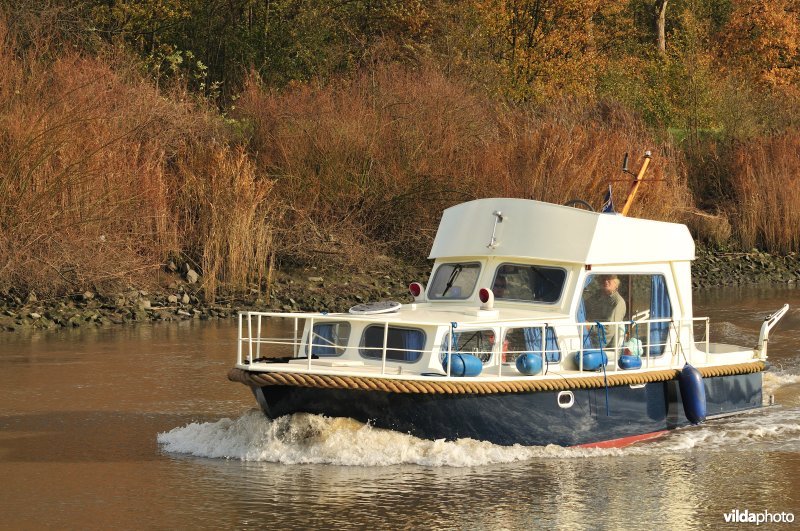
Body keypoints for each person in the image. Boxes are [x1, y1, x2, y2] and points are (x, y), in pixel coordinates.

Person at [584, 274, 627, 348]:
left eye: (609, 279)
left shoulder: (618, 302)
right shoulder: (599, 296)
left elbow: (608, 330)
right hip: (589, 336)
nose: (606, 281)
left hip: (601, 344)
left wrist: (589, 326)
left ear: (616, 284)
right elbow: (584, 306)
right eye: (603, 279)